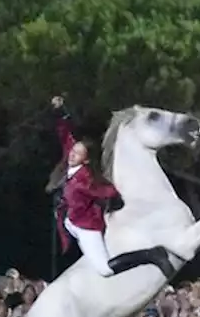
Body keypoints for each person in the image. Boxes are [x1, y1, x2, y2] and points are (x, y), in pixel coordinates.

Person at [49, 96, 177, 279]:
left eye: (77, 154)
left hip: (85, 226)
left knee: (105, 270)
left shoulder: (85, 180)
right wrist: (60, 111)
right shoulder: (72, 159)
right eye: (73, 151)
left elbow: (103, 191)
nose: (71, 155)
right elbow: (65, 134)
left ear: (85, 160)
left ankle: (150, 255)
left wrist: (119, 194)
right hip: (71, 222)